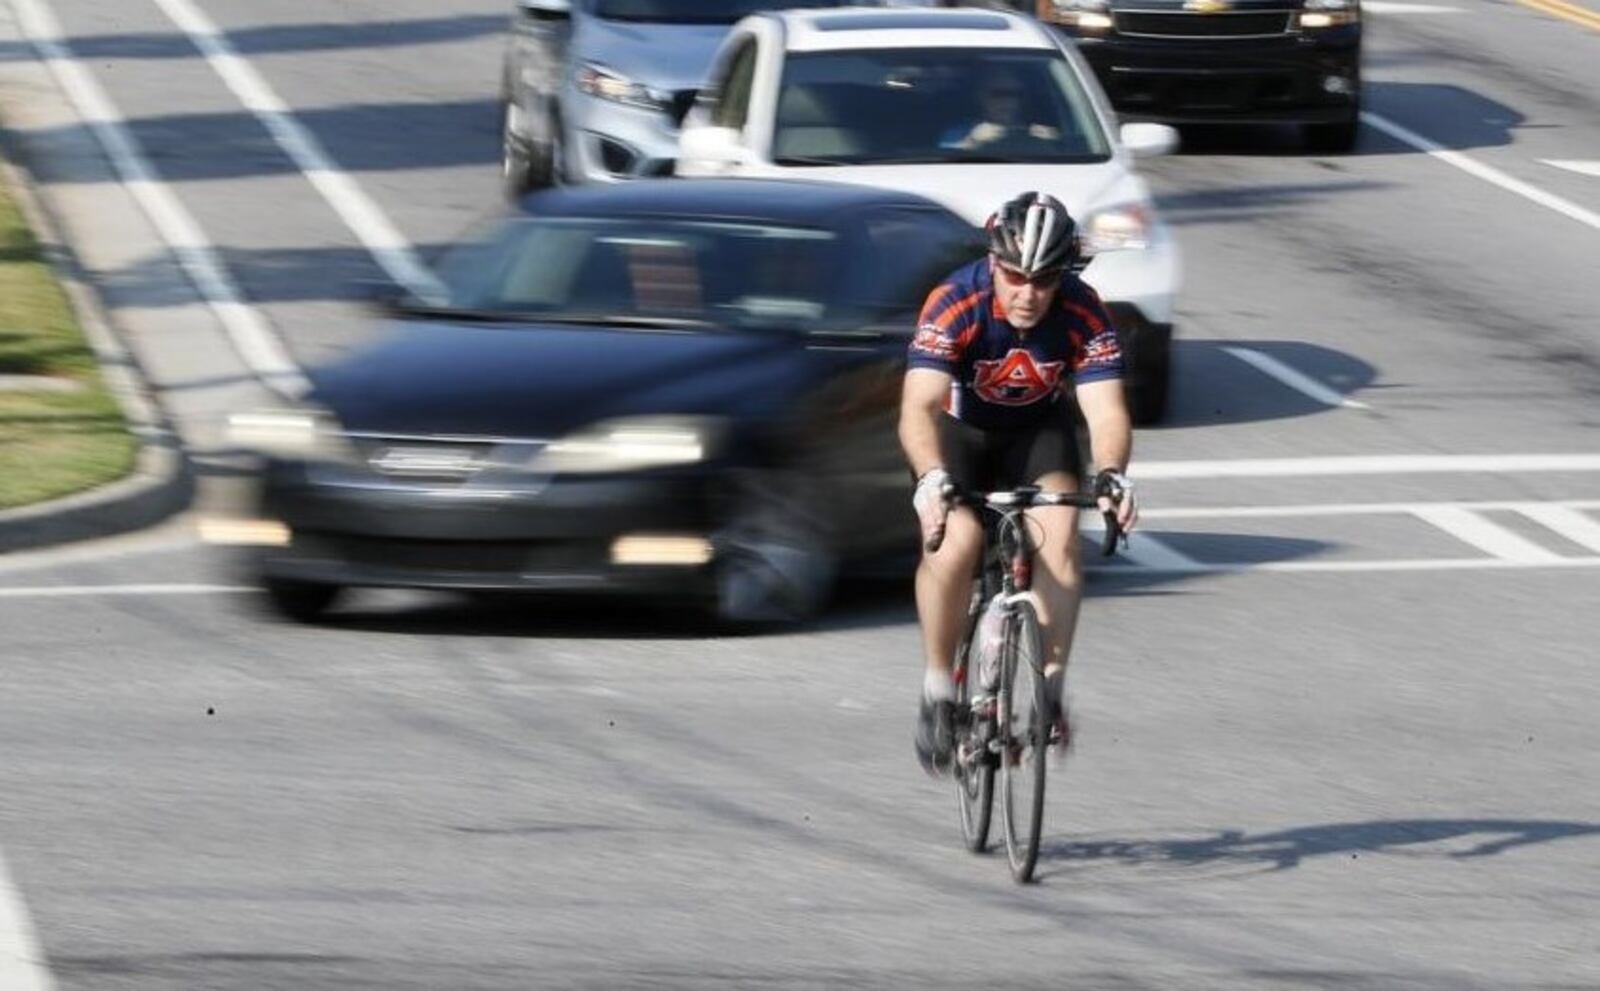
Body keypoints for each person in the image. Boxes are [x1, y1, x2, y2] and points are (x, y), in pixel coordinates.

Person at [898, 191, 1138, 774]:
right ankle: (938, 689)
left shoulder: (1082, 309)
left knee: (1059, 541)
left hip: (1036, 435)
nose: (1028, 292)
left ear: (1064, 275)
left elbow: (1106, 412)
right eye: (1014, 276)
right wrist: (931, 478)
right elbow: (919, 407)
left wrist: (1111, 476)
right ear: (993, 263)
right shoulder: (957, 299)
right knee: (956, 543)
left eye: (1043, 279)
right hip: (960, 435)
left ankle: (1050, 689)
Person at [940, 65, 1060, 153]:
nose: (1007, 101)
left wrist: (1056, 143)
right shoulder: (959, 133)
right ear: (980, 96)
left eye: (1015, 94)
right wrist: (972, 141)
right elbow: (941, 168)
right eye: (998, 94)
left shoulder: (1036, 133)